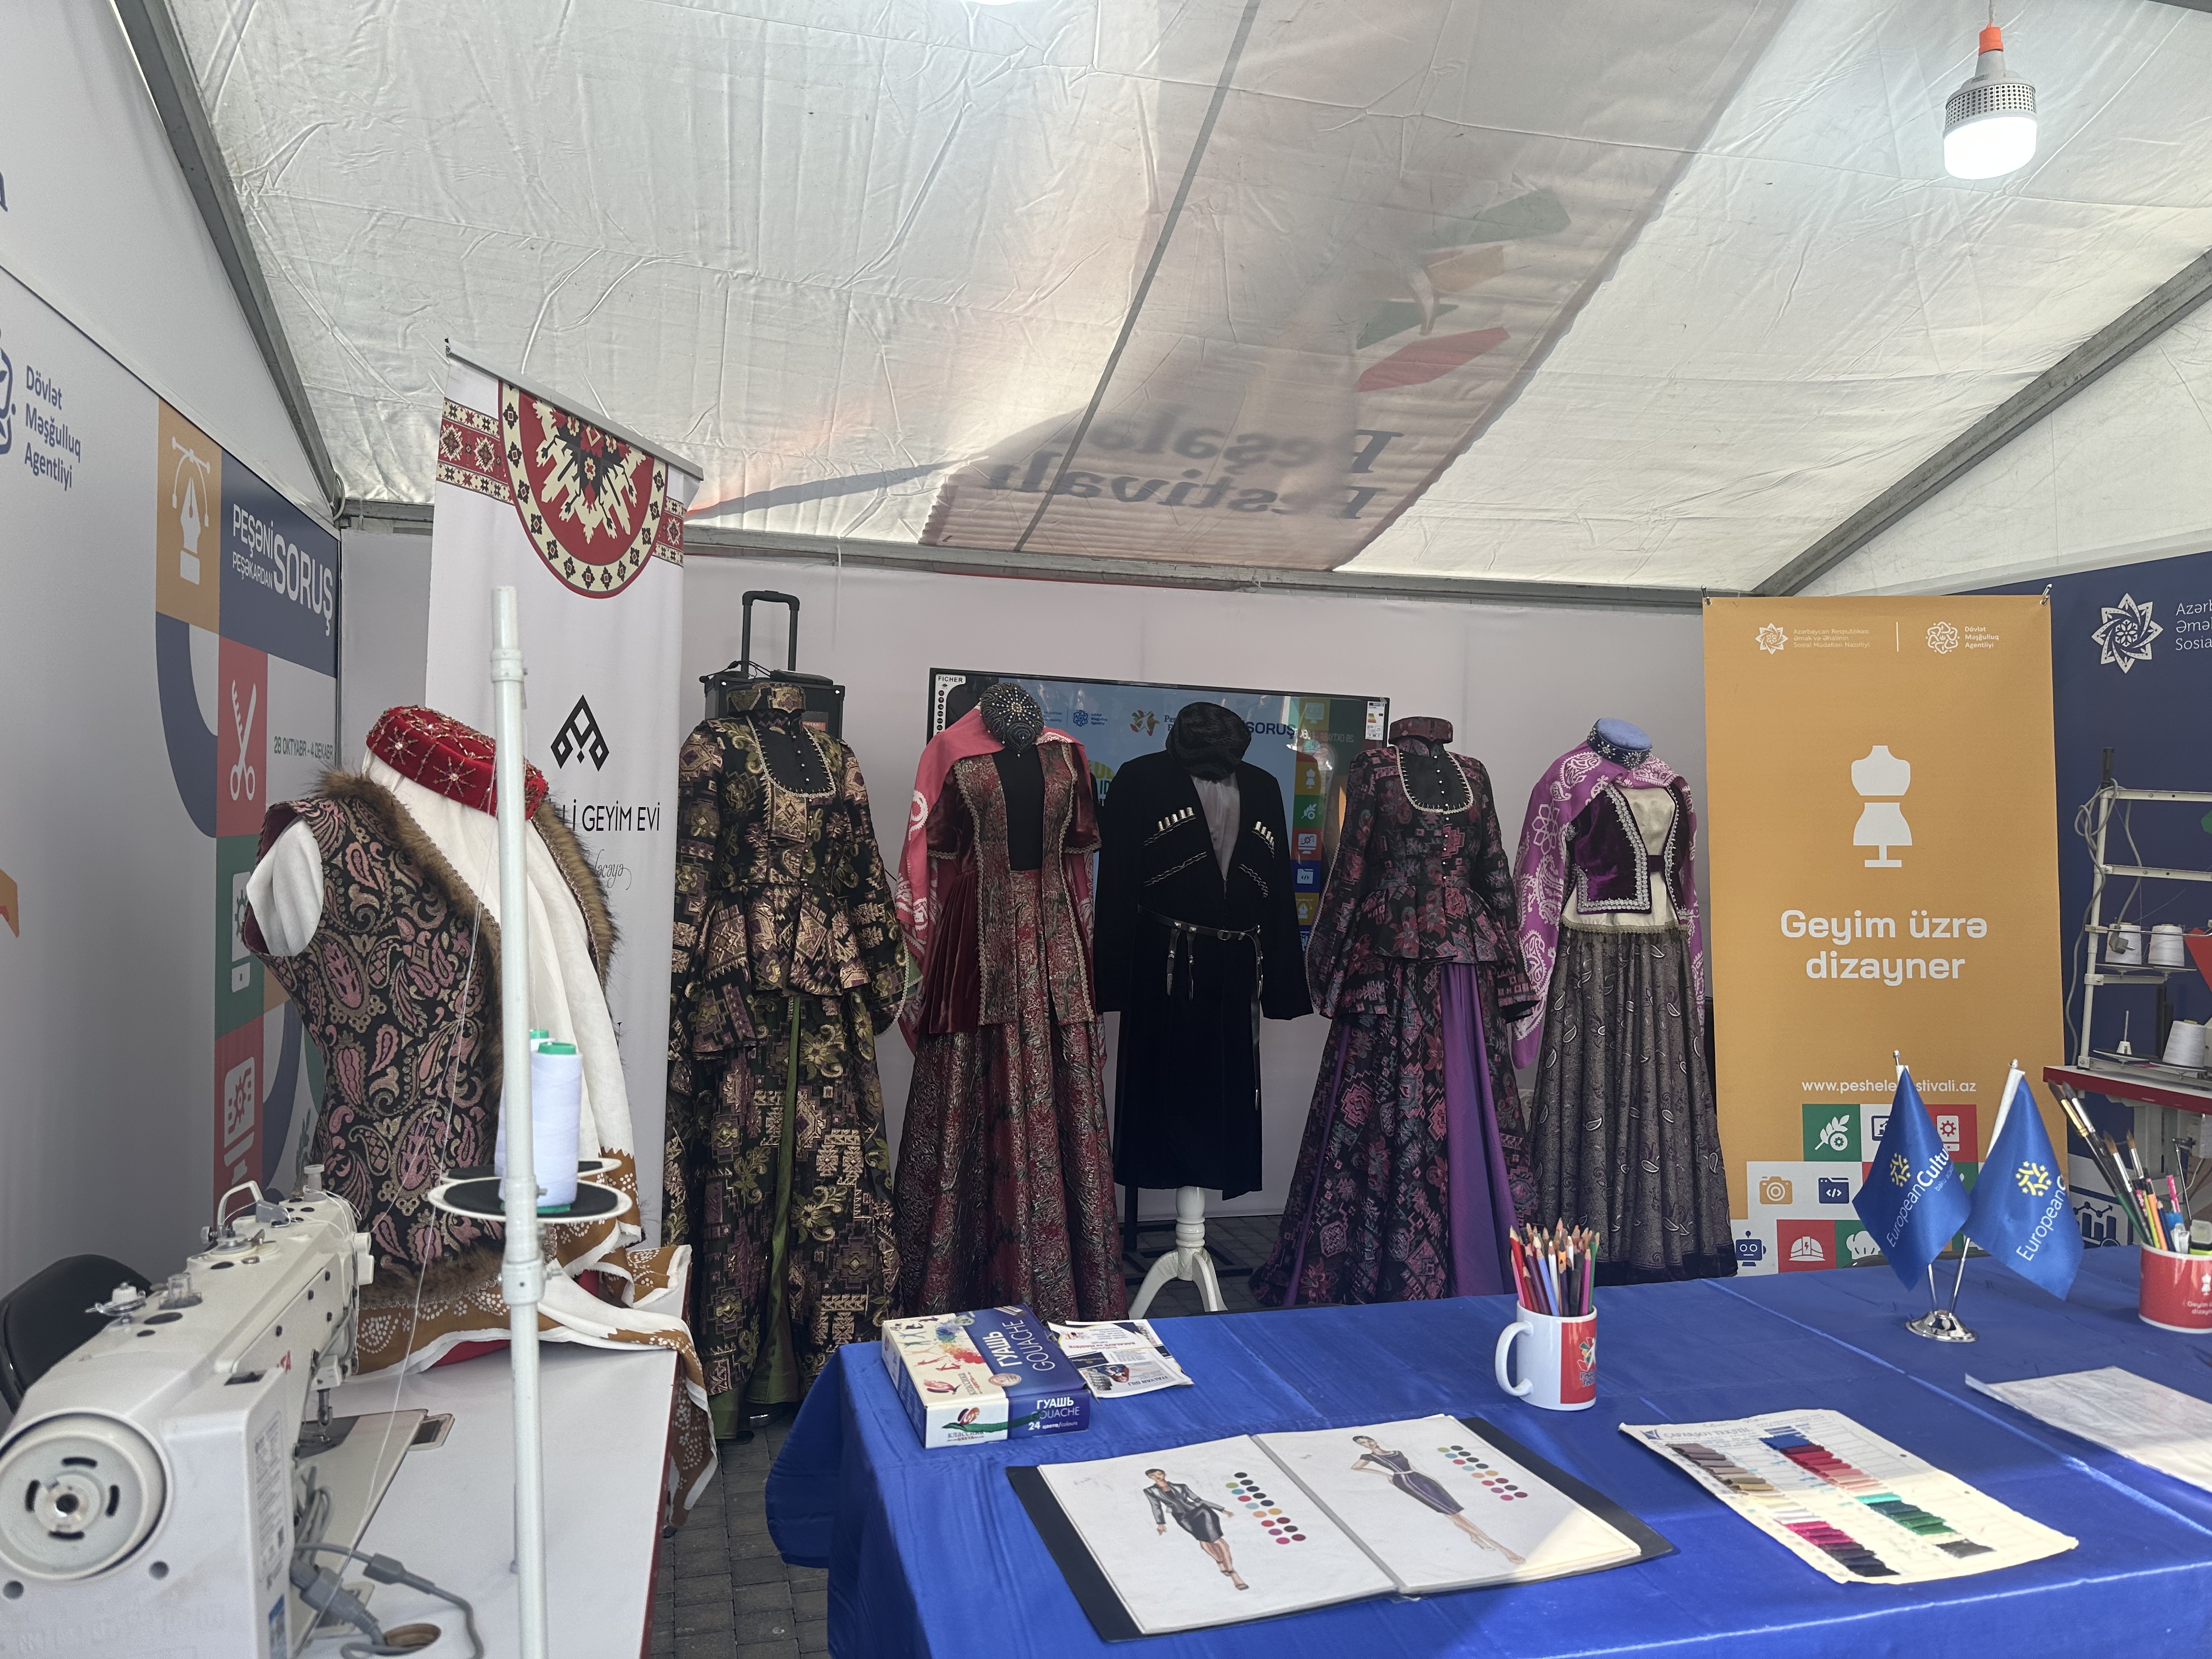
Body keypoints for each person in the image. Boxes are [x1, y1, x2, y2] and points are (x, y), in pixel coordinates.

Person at [1349, 1436, 1522, 1562]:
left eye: (1368, 1440)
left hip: (1421, 1479)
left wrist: (1433, 1480)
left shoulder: (1397, 1452)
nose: (1368, 1444)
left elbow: (1413, 1467)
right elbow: (1356, 1468)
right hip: (1408, 1482)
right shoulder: (1370, 1457)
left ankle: (1475, 1537)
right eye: (1363, 1443)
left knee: (1454, 1512)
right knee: (1452, 1513)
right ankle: (1502, 1548)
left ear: (1374, 1440)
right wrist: (1387, 1475)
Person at [1143, 1469, 1246, 1589]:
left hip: (1202, 1512)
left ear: (1164, 1474)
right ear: (1151, 1478)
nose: (1157, 1477)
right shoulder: (1150, 1491)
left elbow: (1198, 1500)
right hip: (1183, 1518)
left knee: (1216, 1540)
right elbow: (1156, 1506)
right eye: (1153, 1475)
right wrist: (1160, 1523)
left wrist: (1221, 1509)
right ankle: (1219, 1561)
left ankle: (1231, 1570)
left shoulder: (1181, 1486)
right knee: (1203, 1540)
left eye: (1159, 1474)